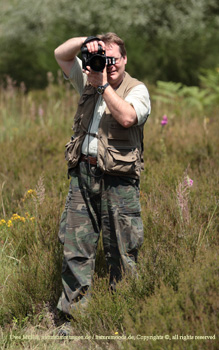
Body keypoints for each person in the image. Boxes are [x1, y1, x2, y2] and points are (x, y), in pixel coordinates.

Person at [54, 32, 151, 317]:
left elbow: (127, 117)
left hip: (119, 180)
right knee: (76, 249)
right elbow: (61, 53)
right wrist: (88, 41)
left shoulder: (137, 89)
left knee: (122, 250)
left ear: (124, 60)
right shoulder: (88, 78)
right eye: (103, 58)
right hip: (83, 173)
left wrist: (102, 86)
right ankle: (73, 317)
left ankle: (123, 315)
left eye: (114, 60)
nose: (109, 65)